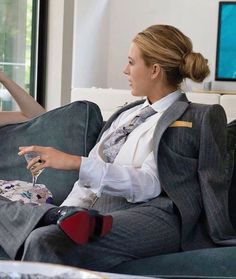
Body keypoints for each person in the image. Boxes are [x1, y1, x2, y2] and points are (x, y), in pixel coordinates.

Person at [0, 24, 236, 272]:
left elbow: (151, 184)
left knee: (44, 240)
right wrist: (64, 209)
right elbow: (85, 186)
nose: (125, 70)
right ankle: (52, 216)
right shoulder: (125, 114)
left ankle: (51, 219)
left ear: (154, 70)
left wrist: (75, 162)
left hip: (154, 214)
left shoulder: (198, 116)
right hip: (89, 214)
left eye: (131, 62)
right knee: (38, 228)